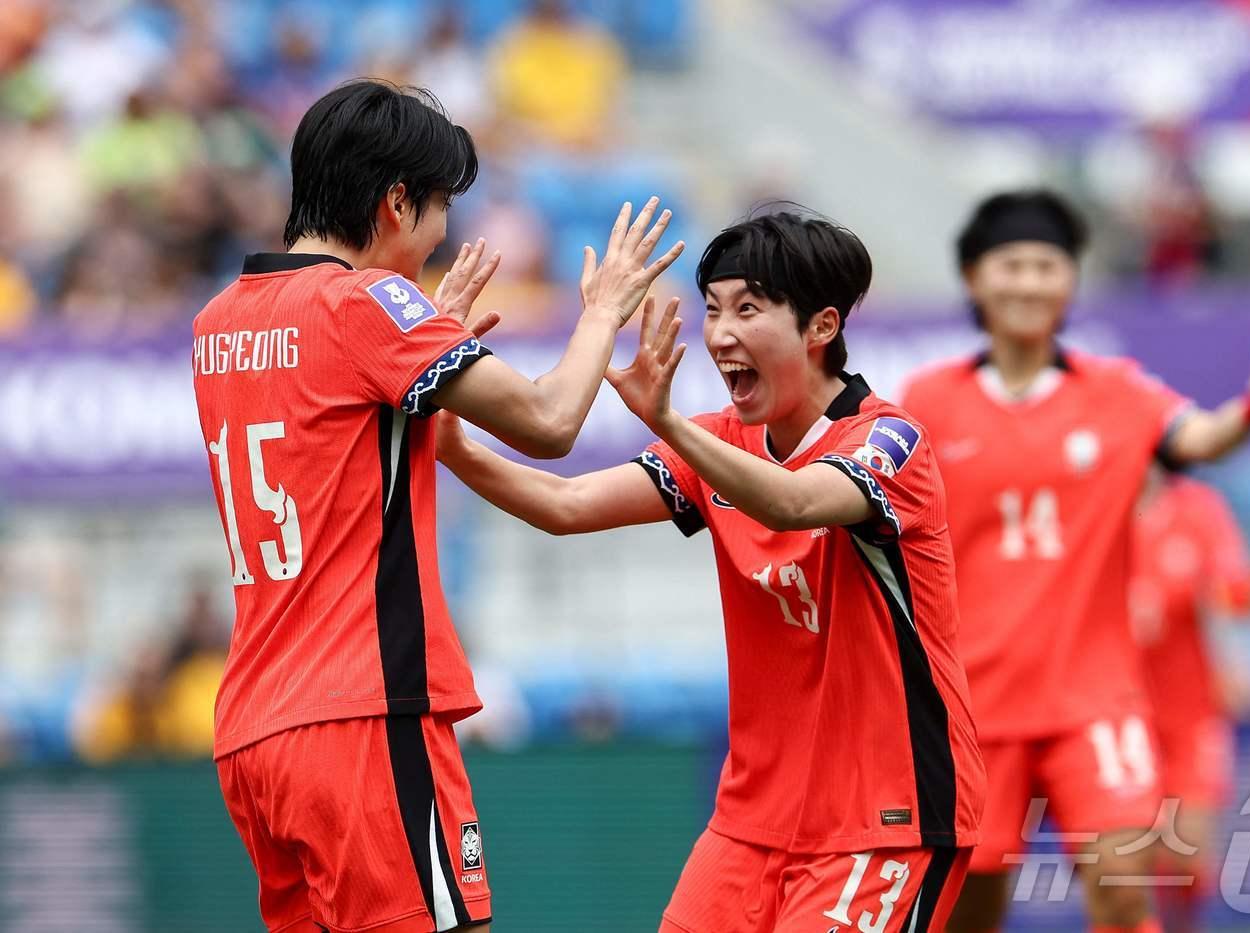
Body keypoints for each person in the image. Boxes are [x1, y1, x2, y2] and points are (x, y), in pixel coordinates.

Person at [191, 79, 681, 933]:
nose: (438, 239)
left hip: (253, 730)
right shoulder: (365, 306)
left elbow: (332, 433)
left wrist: (418, 357)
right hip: (363, 714)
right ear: (394, 202)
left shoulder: (218, 322)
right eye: (439, 210)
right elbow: (550, 420)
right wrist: (604, 311)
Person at [436, 210, 986, 933]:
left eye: (748, 309)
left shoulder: (890, 441)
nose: (721, 333)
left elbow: (792, 501)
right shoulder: (721, 440)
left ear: (822, 326)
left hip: (887, 817)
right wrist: (452, 443)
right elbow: (565, 504)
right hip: (750, 825)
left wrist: (666, 422)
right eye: (714, 309)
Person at [897, 189, 1250, 933]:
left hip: (1095, 701)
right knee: (969, 911)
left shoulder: (1116, 391)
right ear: (974, 278)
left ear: (1071, 280)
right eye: (1011, 265)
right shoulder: (927, 401)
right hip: (973, 707)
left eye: (1047, 265)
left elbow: (1201, 438)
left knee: (1122, 890)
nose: (1029, 282)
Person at [1129, 470, 1250, 933]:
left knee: (1189, 849)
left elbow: (1233, 590)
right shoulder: (1100, 504)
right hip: (1123, 711)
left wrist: (1235, 657)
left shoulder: (1198, 508)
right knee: (1131, 856)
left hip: (1192, 711)